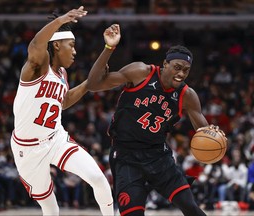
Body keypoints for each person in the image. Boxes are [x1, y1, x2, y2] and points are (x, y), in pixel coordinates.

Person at [86, 24, 227, 216]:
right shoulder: (140, 72)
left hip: (158, 157)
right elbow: (94, 84)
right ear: (165, 64)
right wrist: (109, 48)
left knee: (190, 207)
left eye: (186, 70)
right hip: (126, 156)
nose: (181, 73)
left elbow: (203, 131)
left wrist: (216, 138)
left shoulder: (187, 95)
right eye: (177, 67)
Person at [10, 6, 114, 216]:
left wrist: (87, 83)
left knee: (98, 179)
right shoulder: (38, 65)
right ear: (56, 45)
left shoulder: (63, 74)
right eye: (72, 45)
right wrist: (60, 21)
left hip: (55, 139)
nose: (75, 51)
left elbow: (63, 102)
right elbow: (36, 43)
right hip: (27, 148)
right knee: (51, 208)